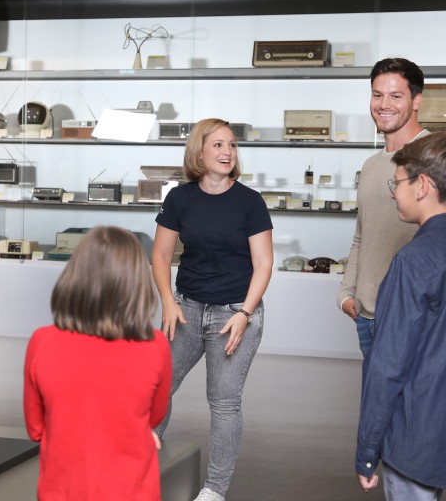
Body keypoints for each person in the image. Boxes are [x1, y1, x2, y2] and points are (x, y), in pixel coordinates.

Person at [354, 131, 446, 499]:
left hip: (411, 431)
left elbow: (388, 366)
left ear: (423, 186)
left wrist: (367, 452)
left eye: (397, 182)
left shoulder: (412, 262)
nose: (392, 191)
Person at [152, 118, 273, 501]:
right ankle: (144, 449)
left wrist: (245, 314)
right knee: (157, 385)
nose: (227, 152)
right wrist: (168, 302)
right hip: (186, 308)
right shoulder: (179, 198)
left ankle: (214, 491)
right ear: (199, 152)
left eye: (232, 145)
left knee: (223, 403)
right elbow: (159, 255)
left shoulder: (250, 201)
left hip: (234, 312)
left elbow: (264, 264)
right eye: (218, 145)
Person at [23, 226, 171, 501]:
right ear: (136, 283)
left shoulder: (42, 341)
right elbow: (154, 416)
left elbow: (35, 429)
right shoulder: (156, 345)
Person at [337, 57, 446, 357]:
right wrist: (347, 294)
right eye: (377, 94)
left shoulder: (438, 158)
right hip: (366, 316)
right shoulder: (370, 165)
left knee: (414, 405)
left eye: (396, 96)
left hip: (413, 319)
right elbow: (362, 234)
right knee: (377, 405)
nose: (384, 104)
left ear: (416, 100)